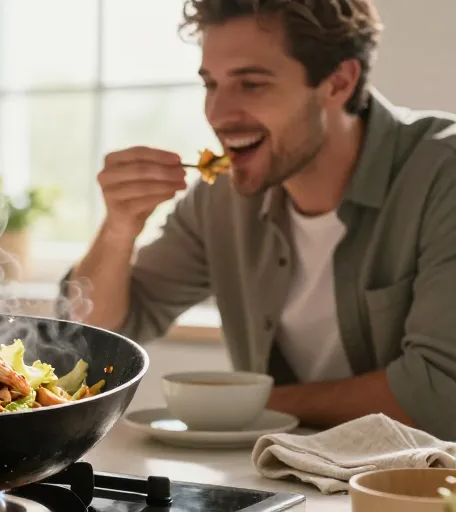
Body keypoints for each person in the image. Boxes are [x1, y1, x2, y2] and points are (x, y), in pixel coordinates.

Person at [63, 0, 456, 440]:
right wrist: (119, 228)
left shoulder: (444, 175)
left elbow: (441, 394)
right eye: (211, 84)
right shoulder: (220, 199)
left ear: (338, 82)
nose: (218, 113)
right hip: (282, 478)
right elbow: (93, 336)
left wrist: (239, 404)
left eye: (251, 84)